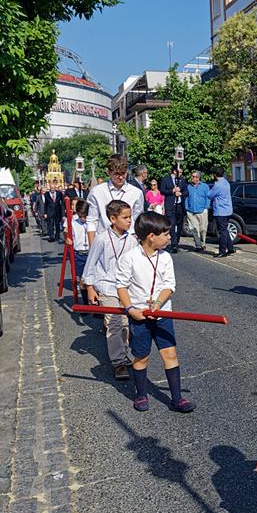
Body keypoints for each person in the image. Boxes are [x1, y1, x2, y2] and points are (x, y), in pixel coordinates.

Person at [116, 211, 196, 413]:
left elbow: (169, 284)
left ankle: (177, 399)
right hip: (140, 316)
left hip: (163, 315)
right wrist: (131, 310)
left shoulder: (166, 258)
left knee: (170, 354)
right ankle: (141, 394)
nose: (170, 237)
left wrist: (159, 303)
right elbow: (122, 286)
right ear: (152, 236)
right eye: (166, 234)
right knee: (141, 356)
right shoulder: (129, 258)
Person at [83, 200, 137, 381]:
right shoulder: (101, 239)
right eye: (126, 217)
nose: (130, 220)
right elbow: (90, 264)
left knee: (125, 323)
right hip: (107, 286)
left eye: (130, 217)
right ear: (113, 219)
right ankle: (118, 363)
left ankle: (123, 353)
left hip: (126, 288)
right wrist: (90, 288)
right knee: (114, 324)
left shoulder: (132, 240)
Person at [86, 154, 144, 245]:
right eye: (116, 174)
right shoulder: (97, 192)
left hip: (129, 241)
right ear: (108, 172)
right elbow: (92, 221)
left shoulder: (136, 193)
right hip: (104, 241)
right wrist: (92, 248)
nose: (120, 177)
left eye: (123, 173)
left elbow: (138, 220)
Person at [65, 198, 91, 305]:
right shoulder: (73, 222)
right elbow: (67, 233)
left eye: (85, 216)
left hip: (90, 253)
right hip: (79, 254)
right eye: (81, 216)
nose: (83, 218)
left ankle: (95, 305)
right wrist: (67, 238)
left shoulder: (92, 223)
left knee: (93, 281)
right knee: (82, 281)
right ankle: (85, 305)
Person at [160, 167, 188, 253]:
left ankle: (177, 241)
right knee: (172, 224)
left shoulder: (182, 180)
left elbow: (186, 192)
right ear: (175, 171)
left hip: (179, 206)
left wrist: (181, 193)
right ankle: (174, 244)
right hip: (170, 206)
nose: (181, 174)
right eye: (180, 172)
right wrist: (172, 191)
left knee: (179, 224)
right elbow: (162, 191)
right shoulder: (166, 179)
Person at [209, 166, 235, 258]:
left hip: (220, 211)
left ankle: (222, 251)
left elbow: (210, 195)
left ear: (215, 175)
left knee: (222, 232)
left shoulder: (217, 185)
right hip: (227, 210)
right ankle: (230, 248)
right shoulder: (226, 182)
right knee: (225, 229)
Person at [185, 170, 211, 252]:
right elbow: (186, 197)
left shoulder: (205, 186)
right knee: (194, 229)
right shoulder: (188, 186)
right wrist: (186, 207)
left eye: (194, 176)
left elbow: (208, 197)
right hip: (191, 211)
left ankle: (203, 243)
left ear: (198, 178)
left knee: (203, 229)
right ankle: (198, 245)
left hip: (202, 211)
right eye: (192, 176)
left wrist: (206, 208)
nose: (192, 178)